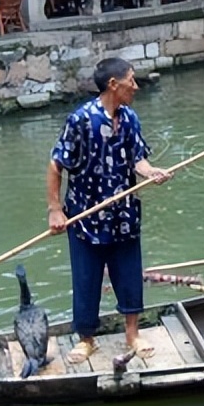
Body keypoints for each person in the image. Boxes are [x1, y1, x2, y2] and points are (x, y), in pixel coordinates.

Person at [47, 57, 174, 362]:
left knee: (129, 275)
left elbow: (137, 159)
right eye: (131, 80)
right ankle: (87, 339)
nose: (136, 86)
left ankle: (133, 335)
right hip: (85, 216)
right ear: (113, 84)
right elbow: (56, 164)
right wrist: (55, 210)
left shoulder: (130, 118)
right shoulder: (81, 120)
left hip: (124, 214)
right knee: (86, 278)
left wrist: (150, 172)